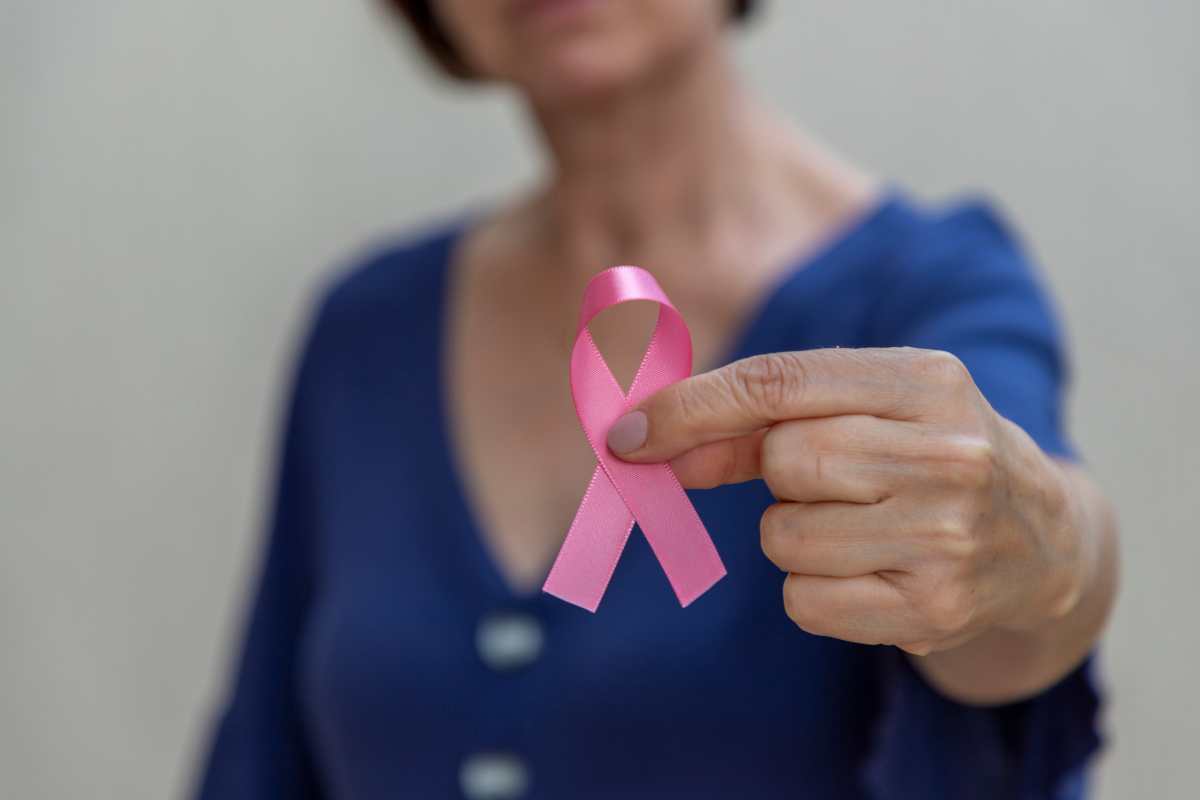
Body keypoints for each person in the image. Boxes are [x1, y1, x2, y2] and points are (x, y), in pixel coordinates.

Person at [195, 2, 1118, 798]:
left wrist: (1056, 551)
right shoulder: (367, 332)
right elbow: (264, 756)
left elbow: (1012, 588)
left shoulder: (931, 297)